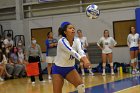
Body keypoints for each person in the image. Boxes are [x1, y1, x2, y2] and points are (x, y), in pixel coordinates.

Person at [52, 22, 91, 93]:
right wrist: (83, 60)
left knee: (81, 86)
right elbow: (72, 51)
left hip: (70, 69)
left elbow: (80, 50)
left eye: (73, 28)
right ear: (65, 32)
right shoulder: (62, 41)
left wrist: (85, 59)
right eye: (70, 28)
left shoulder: (77, 40)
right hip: (58, 69)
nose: (73, 29)